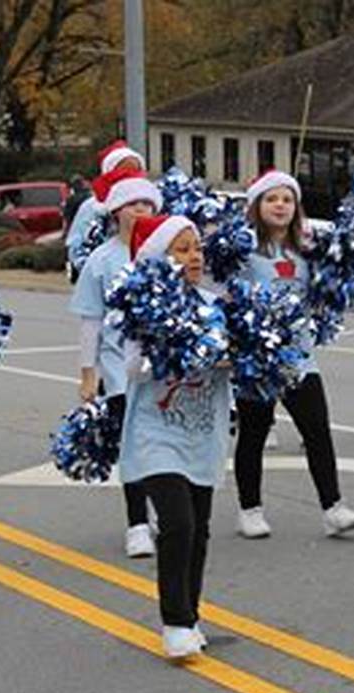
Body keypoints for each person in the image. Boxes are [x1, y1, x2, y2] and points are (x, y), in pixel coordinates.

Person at [117, 214, 231, 659]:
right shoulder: (142, 308)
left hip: (203, 431)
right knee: (178, 523)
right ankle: (175, 622)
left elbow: (244, 362)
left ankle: (192, 612)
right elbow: (132, 368)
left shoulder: (218, 303)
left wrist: (235, 359)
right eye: (181, 249)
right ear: (157, 260)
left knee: (199, 529)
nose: (195, 256)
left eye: (197, 247)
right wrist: (171, 347)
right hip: (156, 432)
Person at [232, 169, 354, 539]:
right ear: (256, 205)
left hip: (299, 357)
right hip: (257, 361)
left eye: (287, 199)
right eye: (272, 199)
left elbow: (328, 293)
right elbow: (224, 295)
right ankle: (250, 509)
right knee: (254, 435)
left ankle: (333, 508)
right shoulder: (242, 250)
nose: (280, 205)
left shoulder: (308, 250)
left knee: (317, 430)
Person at [69, 165, 163, 558]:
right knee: (134, 447)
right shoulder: (101, 261)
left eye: (147, 202)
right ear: (114, 212)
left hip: (162, 368)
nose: (140, 209)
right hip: (119, 370)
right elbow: (90, 319)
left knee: (160, 446)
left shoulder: (163, 251)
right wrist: (88, 374)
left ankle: (158, 510)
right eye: (131, 203)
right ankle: (136, 524)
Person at [65, 140, 145, 283]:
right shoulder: (92, 207)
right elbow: (76, 245)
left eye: (136, 170)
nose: (130, 175)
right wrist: (92, 272)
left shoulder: (147, 204)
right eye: (124, 170)